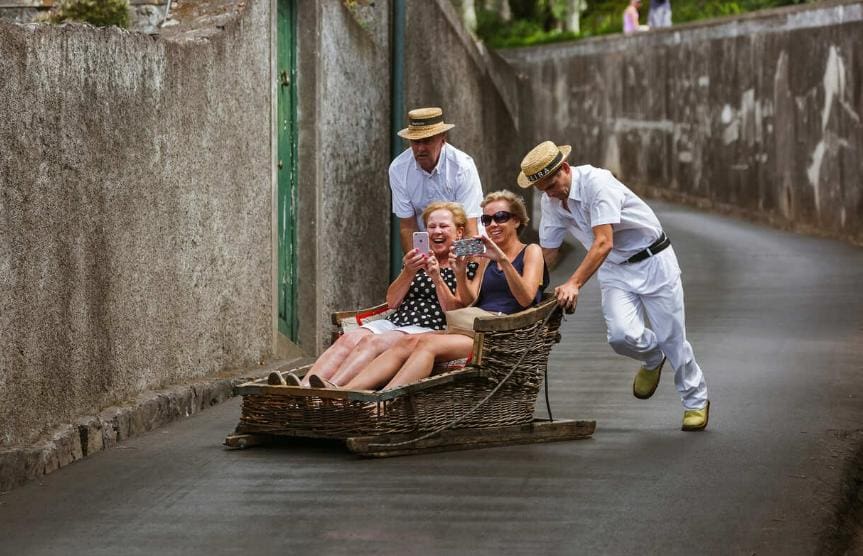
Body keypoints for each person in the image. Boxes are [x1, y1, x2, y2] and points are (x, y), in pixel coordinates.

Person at [517, 140, 709, 431]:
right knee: (620, 336)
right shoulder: (551, 201)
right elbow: (547, 253)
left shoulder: (598, 183)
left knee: (672, 337)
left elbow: (603, 242)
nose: (551, 192)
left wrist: (574, 283)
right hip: (616, 270)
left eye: (552, 184)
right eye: (543, 189)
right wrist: (520, 280)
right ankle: (653, 356)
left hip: (653, 259)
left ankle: (695, 401)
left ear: (565, 168)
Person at [341, 190, 548, 391]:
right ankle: (348, 392)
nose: (493, 224)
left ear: (517, 220)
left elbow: (525, 298)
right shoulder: (485, 258)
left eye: (500, 217)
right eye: (486, 219)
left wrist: (502, 259)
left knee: (428, 345)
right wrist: (459, 272)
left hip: (501, 331)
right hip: (474, 325)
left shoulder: (530, 251)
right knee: (409, 340)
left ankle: (384, 402)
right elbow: (469, 301)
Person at [273, 202, 477, 388]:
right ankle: (302, 388)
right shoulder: (417, 260)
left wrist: (436, 277)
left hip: (427, 326)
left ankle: (331, 389)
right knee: (348, 339)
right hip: (395, 320)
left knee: (373, 342)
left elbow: (454, 311)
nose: (436, 232)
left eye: (443, 226)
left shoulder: (463, 264)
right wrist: (408, 272)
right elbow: (392, 301)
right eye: (431, 227)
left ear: (459, 232)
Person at [390, 107, 484, 254]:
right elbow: (407, 227)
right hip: (428, 250)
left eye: (427, 141)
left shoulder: (463, 167)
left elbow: (470, 228)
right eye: (415, 142)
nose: (421, 148)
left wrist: (464, 272)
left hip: (466, 249)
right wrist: (421, 269)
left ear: (442, 137)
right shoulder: (398, 169)